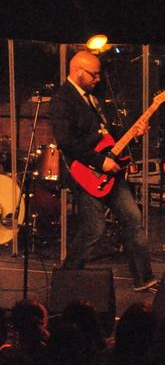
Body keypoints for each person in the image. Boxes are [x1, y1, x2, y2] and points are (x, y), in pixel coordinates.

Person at [48, 51, 158, 292]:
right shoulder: (62, 100)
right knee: (94, 229)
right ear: (78, 71)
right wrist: (100, 162)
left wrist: (135, 136)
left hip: (110, 171)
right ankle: (66, 279)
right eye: (94, 74)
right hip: (86, 173)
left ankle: (144, 278)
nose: (98, 79)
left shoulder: (94, 98)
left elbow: (108, 137)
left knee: (133, 220)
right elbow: (66, 142)